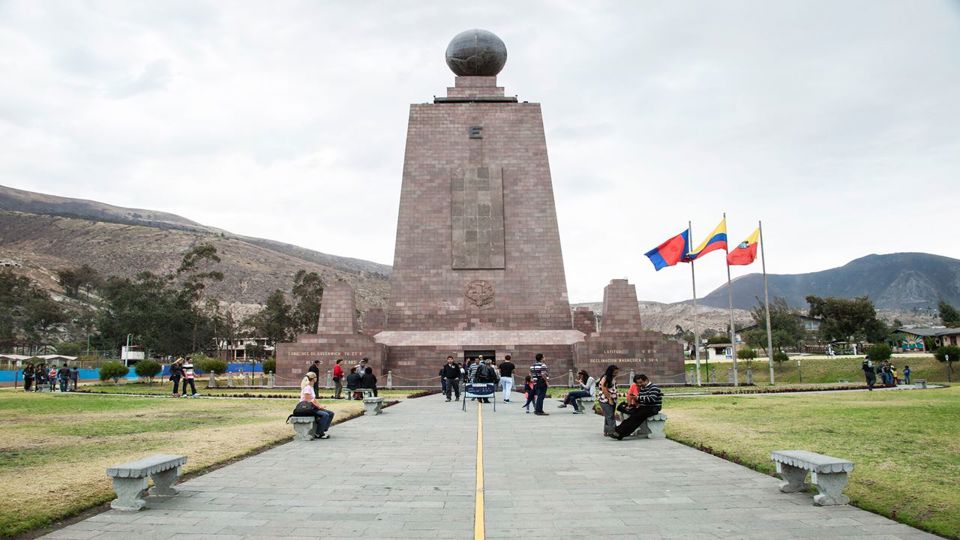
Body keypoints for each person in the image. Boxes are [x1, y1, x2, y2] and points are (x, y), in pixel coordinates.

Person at [613, 373, 662, 440]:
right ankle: (618, 432)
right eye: (637, 383)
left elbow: (651, 399)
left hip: (653, 407)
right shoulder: (642, 388)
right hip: (644, 407)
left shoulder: (654, 387)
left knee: (636, 417)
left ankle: (619, 432)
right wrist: (634, 403)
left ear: (646, 380)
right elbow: (641, 400)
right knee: (632, 417)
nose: (639, 384)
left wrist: (637, 398)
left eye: (641, 382)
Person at [299, 372, 334, 439]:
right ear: (313, 379)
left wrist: (320, 406)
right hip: (306, 408)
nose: (316, 378)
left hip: (312, 407)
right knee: (325, 415)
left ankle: (322, 430)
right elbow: (308, 400)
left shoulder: (311, 387)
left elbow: (313, 399)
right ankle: (319, 433)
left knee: (331, 413)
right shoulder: (307, 388)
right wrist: (318, 407)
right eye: (316, 377)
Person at [597, 364, 619, 436]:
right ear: (610, 371)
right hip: (605, 400)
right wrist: (609, 398)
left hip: (612, 399)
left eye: (617, 372)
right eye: (615, 372)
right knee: (610, 416)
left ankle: (606, 431)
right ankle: (613, 431)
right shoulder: (606, 378)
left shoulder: (611, 378)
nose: (616, 374)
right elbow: (604, 389)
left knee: (608, 415)